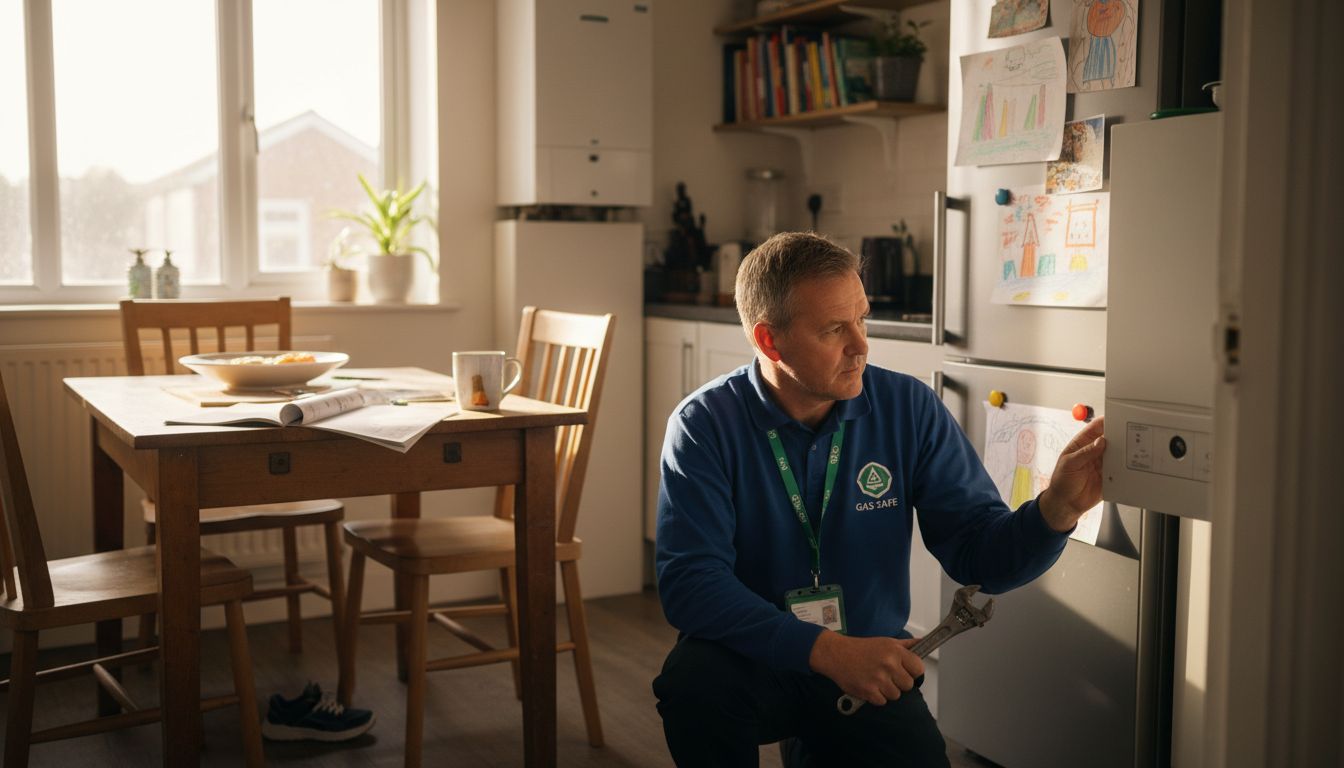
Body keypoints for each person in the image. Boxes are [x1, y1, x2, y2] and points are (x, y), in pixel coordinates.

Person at [652, 232, 1106, 767]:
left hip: (867, 662)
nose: (861, 345)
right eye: (834, 329)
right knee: (691, 686)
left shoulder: (907, 407)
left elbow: (977, 553)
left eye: (862, 319)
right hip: (754, 657)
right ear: (770, 341)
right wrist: (823, 651)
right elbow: (690, 584)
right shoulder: (703, 424)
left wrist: (1057, 510)